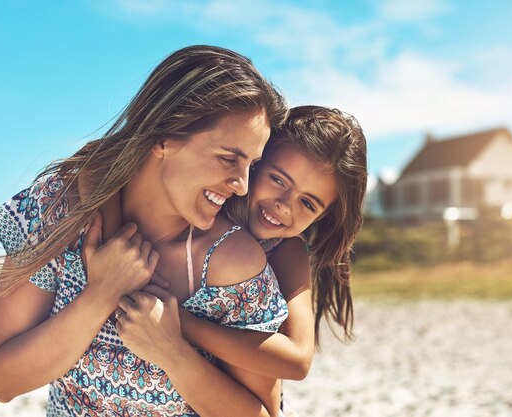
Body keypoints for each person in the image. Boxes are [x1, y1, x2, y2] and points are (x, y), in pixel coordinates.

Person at [0, 45, 290, 417]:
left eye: (251, 165)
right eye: (228, 158)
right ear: (163, 137)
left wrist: (173, 353)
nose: (241, 185)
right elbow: (0, 382)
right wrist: (100, 295)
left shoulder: (233, 261)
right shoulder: (60, 210)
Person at [112, 105, 368, 415]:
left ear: (322, 215)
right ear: (256, 164)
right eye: (279, 180)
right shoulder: (207, 204)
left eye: (308, 203)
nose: (285, 206)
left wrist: (182, 323)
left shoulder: (285, 249)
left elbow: (298, 360)